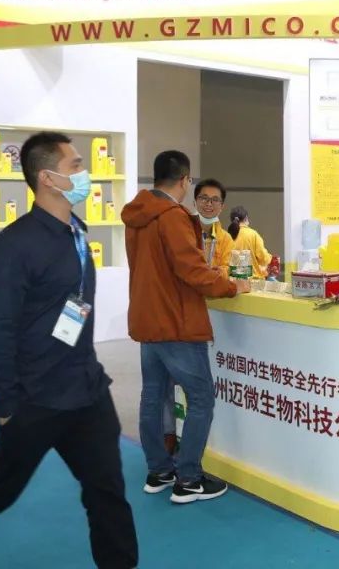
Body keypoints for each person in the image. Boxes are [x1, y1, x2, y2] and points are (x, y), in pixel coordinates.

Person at [0, 131, 137, 569]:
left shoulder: (76, 232)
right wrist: (4, 405)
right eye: (76, 166)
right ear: (47, 178)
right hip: (35, 399)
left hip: (87, 390)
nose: (85, 173)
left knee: (107, 491)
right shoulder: (15, 244)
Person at [122, 150, 238, 504]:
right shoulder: (172, 217)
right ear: (186, 181)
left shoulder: (138, 214)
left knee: (153, 396)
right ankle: (188, 479)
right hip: (176, 321)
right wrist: (231, 286)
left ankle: (159, 471)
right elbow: (191, 269)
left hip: (148, 319)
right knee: (201, 398)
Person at [153, 178, 233, 457]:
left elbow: (225, 270)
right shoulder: (180, 226)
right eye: (204, 199)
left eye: (215, 200)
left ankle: (178, 454)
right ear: (194, 200)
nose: (209, 205)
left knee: (189, 390)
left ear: (222, 206)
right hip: (178, 313)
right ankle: (171, 440)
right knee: (168, 385)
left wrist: (218, 276)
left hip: (201, 310)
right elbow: (186, 270)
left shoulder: (226, 239)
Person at [229, 205, 273, 279]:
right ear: (246, 218)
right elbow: (264, 259)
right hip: (253, 281)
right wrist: (270, 258)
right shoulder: (253, 234)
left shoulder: (228, 236)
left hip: (234, 281)